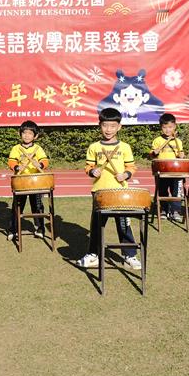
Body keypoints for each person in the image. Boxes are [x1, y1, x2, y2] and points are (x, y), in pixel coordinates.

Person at [77, 107, 141, 271]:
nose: (108, 129)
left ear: (119, 127)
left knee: (124, 223)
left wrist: (125, 175)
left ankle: (129, 255)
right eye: (105, 125)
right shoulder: (94, 147)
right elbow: (88, 166)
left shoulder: (124, 147)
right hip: (100, 191)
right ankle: (93, 254)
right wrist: (93, 171)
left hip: (120, 191)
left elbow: (131, 167)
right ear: (100, 125)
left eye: (112, 126)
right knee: (97, 224)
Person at [7, 120, 49, 241]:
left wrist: (40, 165)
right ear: (20, 134)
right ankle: (13, 230)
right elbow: (11, 161)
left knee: (38, 206)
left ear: (35, 136)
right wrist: (17, 167)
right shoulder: (16, 148)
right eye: (24, 133)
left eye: (30, 133)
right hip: (21, 181)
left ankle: (40, 229)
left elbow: (45, 160)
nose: (27, 136)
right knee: (17, 206)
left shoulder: (38, 148)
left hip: (36, 182)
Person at [149, 112, 185, 221]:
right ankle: (164, 210)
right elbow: (152, 155)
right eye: (165, 127)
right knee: (163, 191)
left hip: (176, 172)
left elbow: (180, 154)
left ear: (175, 127)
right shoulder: (157, 140)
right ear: (161, 127)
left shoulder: (178, 141)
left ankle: (175, 211)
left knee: (176, 191)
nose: (168, 130)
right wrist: (154, 152)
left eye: (170, 127)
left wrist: (181, 155)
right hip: (162, 171)